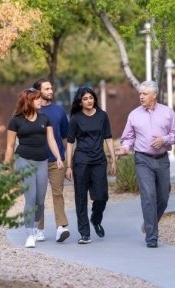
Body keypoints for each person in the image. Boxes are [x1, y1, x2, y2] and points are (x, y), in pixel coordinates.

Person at [115, 80, 175, 248]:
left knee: (164, 197)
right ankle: (152, 236)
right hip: (142, 159)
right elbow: (128, 137)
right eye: (140, 94)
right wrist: (125, 147)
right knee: (148, 197)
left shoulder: (167, 112)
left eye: (145, 94)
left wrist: (164, 140)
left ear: (154, 95)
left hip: (162, 160)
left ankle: (149, 222)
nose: (141, 97)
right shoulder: (134, 115)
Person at [4, 88, 63, 248]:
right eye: (36, 99)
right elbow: (9, 146)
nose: (40, 101)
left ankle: (35, 226)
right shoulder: (15, 120)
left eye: (39, 98)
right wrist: (6, 167)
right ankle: (29, 234)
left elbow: (51, 139)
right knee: (31, 197)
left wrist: (58, 157)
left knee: (40, 200)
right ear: (28, 101)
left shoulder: (45, 118)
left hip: (42, 160)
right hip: (23, 159)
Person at [66, 87, 116, 244]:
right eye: (85, 98)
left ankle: (95, 218)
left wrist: (113, 159)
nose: (89, 101)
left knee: (101, 196)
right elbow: (69, 143)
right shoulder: (75, 118)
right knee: (80, 197)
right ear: (80, 102)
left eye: (91, 98)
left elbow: (108, 138)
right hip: (81, 161)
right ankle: (84, 233)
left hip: (99, 161)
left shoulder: (102, 116)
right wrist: (69, 166)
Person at [32, 78, 70, 243]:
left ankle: (61, 227)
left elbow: (65, 138)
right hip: (36, 160)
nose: (51, 91)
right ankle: (38, 229)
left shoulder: (59, 111)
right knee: (38, 196)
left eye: (51, 88)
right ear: (39, 91)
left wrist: (66, 160)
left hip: (56, 160)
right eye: (47, 89)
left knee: (58, 194)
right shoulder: (31, 111)